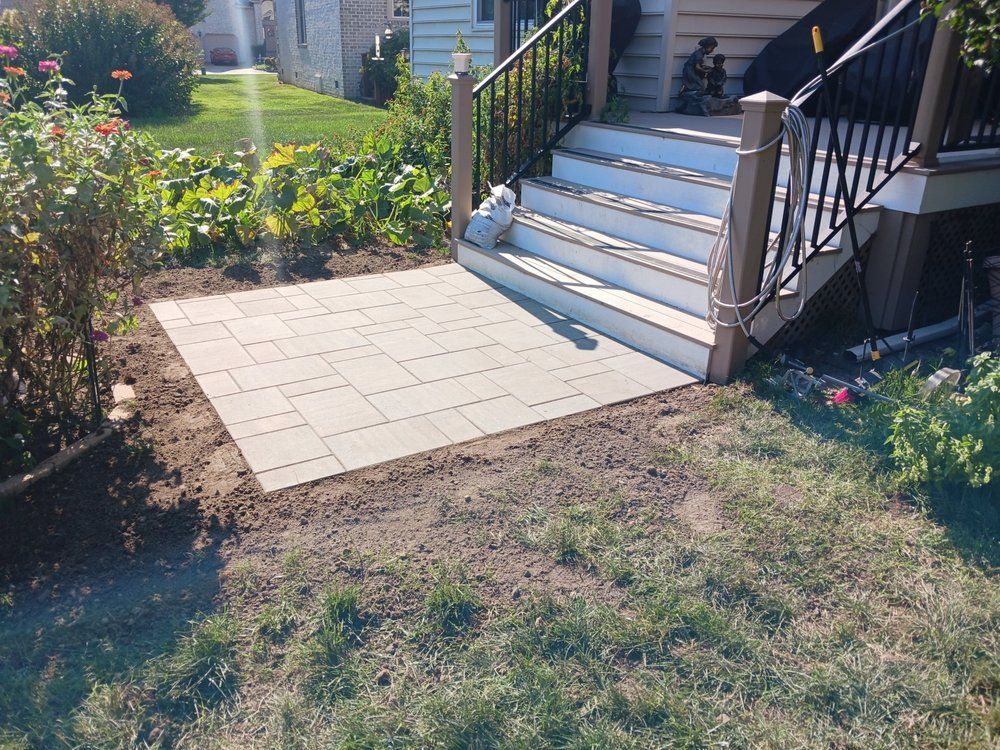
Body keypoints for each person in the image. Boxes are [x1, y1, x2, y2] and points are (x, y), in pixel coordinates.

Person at [676, 37, 718, 116]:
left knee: (698, 86)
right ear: (708, 46)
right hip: (690, 71)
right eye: (712, 48)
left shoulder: (701, 53)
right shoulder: (699, 54)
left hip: (691, 70)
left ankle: (690, 100)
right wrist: (705, 71)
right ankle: (689, 100)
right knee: (699, 86)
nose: (713, 50)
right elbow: (697, 67)